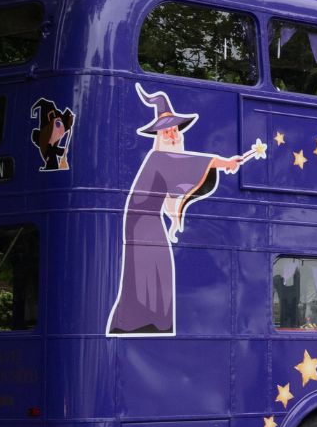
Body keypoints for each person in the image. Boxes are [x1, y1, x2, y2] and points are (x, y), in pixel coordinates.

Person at [106, 86, 252, 336]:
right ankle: (144, 323)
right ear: (159, 135)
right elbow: (190, 164)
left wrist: (175, 220)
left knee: (158, 267)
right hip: (143, 222)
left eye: (175, 130)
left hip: (145, 220)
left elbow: (170, 197)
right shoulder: (158, 158)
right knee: (152, 266)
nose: (173, 135)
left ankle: (150, 322)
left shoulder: (162, 160)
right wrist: (225, 162)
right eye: (168, 131)